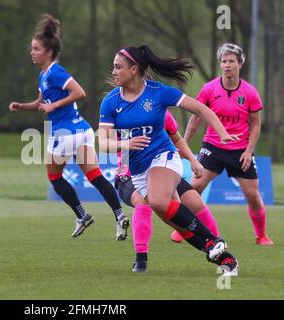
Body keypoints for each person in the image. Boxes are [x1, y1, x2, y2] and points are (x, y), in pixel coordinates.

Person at [98, 45, 240, 275]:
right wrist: (125, 144)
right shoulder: (111, 102)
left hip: (163, 156)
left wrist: (222, 133)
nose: (113, 71)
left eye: (118, 66)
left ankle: (213, 243)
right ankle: (224, 257)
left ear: (134, 69)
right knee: (177, 222)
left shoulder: (158, 92)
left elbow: (201, 109)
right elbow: (102, 142)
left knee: (157, 201)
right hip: (137, 171)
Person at [9, 14, 130, 240]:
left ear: (48, 52)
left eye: (36, 48)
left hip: (64, 133)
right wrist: (21, 106)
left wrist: (54, 105)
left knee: (54, 178)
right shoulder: (44, 74)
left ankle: (82, 215)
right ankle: (119, 215)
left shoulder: (55, 71)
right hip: (81, 130)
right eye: (32, 48)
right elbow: (40, 104)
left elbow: (80, 92)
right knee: (94, 175)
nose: (32, 52)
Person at [184, 43, 273, 246]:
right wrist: (184, 144)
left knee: (253, 196)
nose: (227, 65)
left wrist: (249, 151)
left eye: (231, 61)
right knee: (194, 187)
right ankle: (185, 229)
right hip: (212, 146)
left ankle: (261, 235)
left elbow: (256, 125)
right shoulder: (209, 89)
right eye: (224, 61)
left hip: (240, 150)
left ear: (240, 63)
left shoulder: (250, 92)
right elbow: (196, 118)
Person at [114, 111, 220, 248]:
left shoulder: (163, 113)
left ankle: (217, 244)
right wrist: (128, 144)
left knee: (195, 202)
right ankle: (141, 258)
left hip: (161, 171)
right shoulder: (117, 112)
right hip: (129, 174)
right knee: (143, 201)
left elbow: (177, 141)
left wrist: (193, 161)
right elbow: (107, 145)